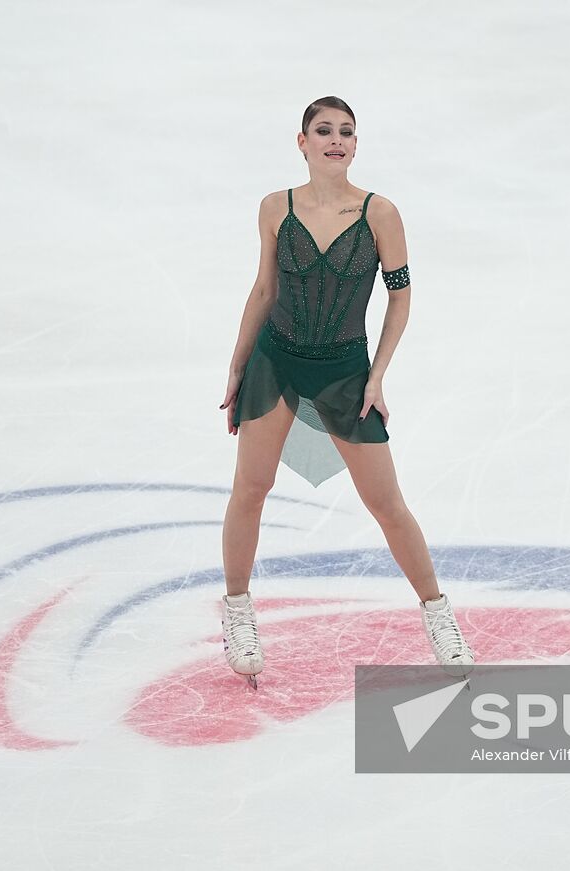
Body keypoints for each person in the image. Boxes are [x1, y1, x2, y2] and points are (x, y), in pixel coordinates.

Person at [217, 96, 475, 689]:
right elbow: (263, 291)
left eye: (347, 132)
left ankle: (439, 616)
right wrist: (236, 366)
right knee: (251, 489)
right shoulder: (274, 208)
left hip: (344, 371)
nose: (336, 139)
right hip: (276, 362)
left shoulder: (380, 213)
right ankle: (237, 613)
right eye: (324, 130)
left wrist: (378, 374)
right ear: (301, 141)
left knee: (387, 504)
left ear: (356, 146)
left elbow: (400, 296)